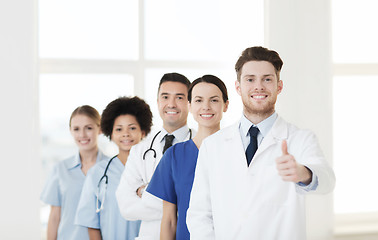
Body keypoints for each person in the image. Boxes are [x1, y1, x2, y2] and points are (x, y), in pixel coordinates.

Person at [186, 46, 336, 240]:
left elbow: (327, 181)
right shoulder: (213, 145)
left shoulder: (299, 139)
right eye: (250, 79)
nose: (259, 86)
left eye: (267, 79)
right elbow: (199, 213)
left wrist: (304, 173)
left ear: (279, 86)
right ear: (238, 87)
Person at [146, 75, 229, 240]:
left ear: (225, 105)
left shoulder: (237, 151)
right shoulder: (174, 156)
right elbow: (169, 220)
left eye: (214, 100)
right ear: (189, 106)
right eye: (198, 100)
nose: (206, 107)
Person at [115, 73, 192, 240]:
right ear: (158, 101)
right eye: (165, 97)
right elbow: (126, 206)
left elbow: (203, 203)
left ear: (190, 102)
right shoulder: (139, 150)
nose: (171, 104)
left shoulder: (202, 146)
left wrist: (147, 192)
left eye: (179, 97)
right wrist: (178, 201)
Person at [74, 96, 152, 240]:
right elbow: (91, 224)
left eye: (132, 128)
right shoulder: (97, 173)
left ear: (143, 131)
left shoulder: (154, 171)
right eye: (119, 129)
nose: (126, 134)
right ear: (111, 133)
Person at [40, 105, 108, 240]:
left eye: (88, 128)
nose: (82, 135)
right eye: (76, 129)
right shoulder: (60, 169)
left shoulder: (112, 168)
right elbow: (54, 217)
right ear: (71, 131)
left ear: (99, 129)